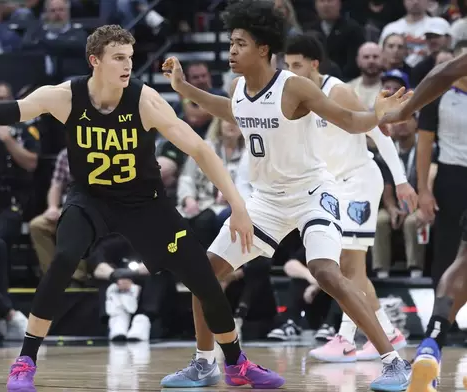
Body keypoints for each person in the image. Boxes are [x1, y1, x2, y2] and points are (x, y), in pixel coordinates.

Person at [0, 24, 283, 391]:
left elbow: (199, 148)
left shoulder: (144, 99)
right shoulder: (65, 96)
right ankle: (25, 361)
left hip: (144, 203)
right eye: (118, 57)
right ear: (94, 60)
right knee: (65, 255)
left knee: (201, 273)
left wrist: (238, 205)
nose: (128, 65)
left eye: (130, 57)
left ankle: (235, 363)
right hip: (91, 199)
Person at [160, 1, 412, 390]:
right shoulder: (240, 88)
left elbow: (348, 120)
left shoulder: (294, 86)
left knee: (328, 271)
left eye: (239, 44)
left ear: (263, 49)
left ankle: (394, 362)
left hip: (313, 193)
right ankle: (204, 363)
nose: (231, 52)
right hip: (267, 201)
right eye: (229, 43)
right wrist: (184, 88)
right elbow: (231, 110)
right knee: (204, 274)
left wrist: (377, 114)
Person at [283, 34, 417, 362]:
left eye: (297, 65)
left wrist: (400, 180)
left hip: (358, 182)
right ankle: (387, 331)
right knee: (344, 267)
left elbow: (379, 134)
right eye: (287, 66)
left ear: (315, 64)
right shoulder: (294, 98)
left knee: (347, 266)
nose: (291, 72)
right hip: (330, 188)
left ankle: (346, 337)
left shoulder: (338, 91)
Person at [380, 42, 467, 392]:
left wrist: (404, 110)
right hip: (451, 174)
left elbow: (444, 71)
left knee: (462, 264)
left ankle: (430, 346)